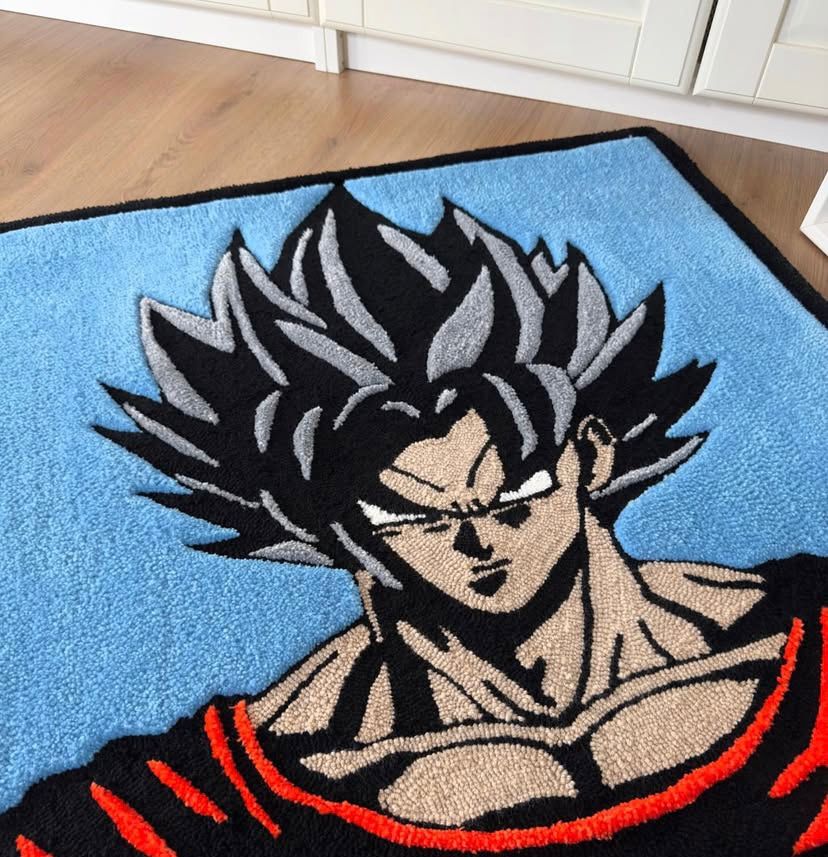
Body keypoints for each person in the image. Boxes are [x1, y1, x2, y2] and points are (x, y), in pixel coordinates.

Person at [4, 188, 825, 857]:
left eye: (513, 493)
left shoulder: (803, 636)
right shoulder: (213, 793)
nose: (477, 540)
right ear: (340, 528)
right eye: (412, 517)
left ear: (591, 454)